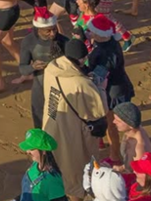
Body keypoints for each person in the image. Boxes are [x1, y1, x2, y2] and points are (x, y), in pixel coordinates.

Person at [41, 38, 105, 191]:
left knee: (55, 167)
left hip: (51, 125)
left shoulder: (50, 69)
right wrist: (101, 89)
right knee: (75, 173)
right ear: (82, 59)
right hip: (71, 133)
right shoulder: (82, 84)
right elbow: (98, 113)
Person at [15, 128, 66, 201]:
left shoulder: (52, 181)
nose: (27, 151)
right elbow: (26, 192)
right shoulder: (34, 165)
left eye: (31, 148)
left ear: (44, 150)